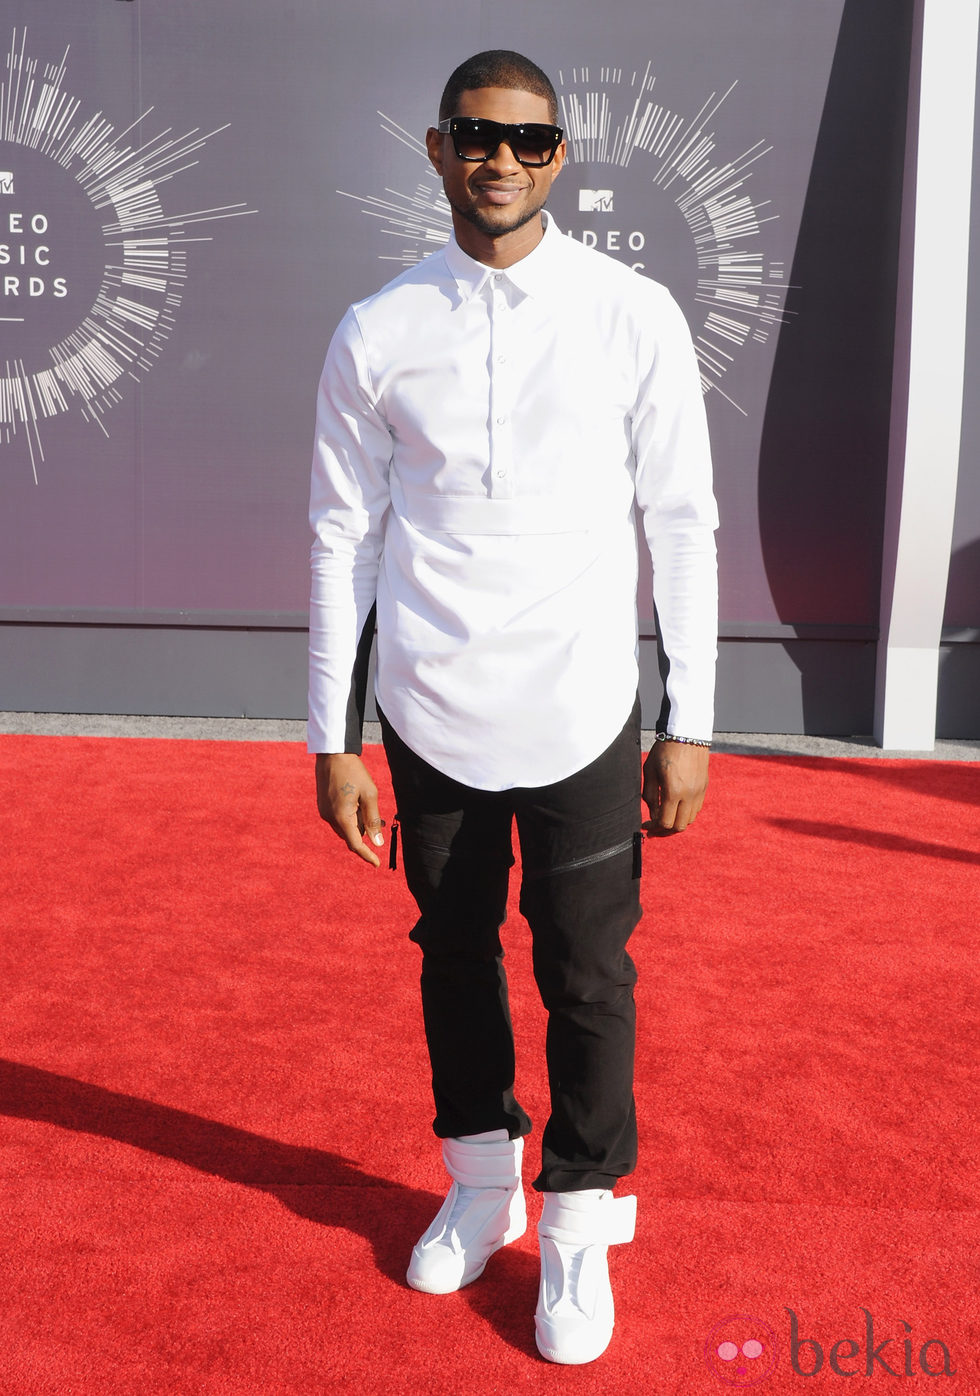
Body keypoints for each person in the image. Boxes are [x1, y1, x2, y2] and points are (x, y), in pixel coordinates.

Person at [308, 49, 718, 1365]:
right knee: (452, 947)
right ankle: (482, 1185)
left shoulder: (631, 312)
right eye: (478, 136)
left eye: (530, 140)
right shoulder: (378, 330)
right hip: (429, 708)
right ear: (437, 149)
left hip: (588, 704)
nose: (502, 159)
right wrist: (334, 733)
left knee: (588, 973)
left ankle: (583, 1218)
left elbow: (684, 525)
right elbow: (338, 538)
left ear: (561, 156)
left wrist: (688, 718)